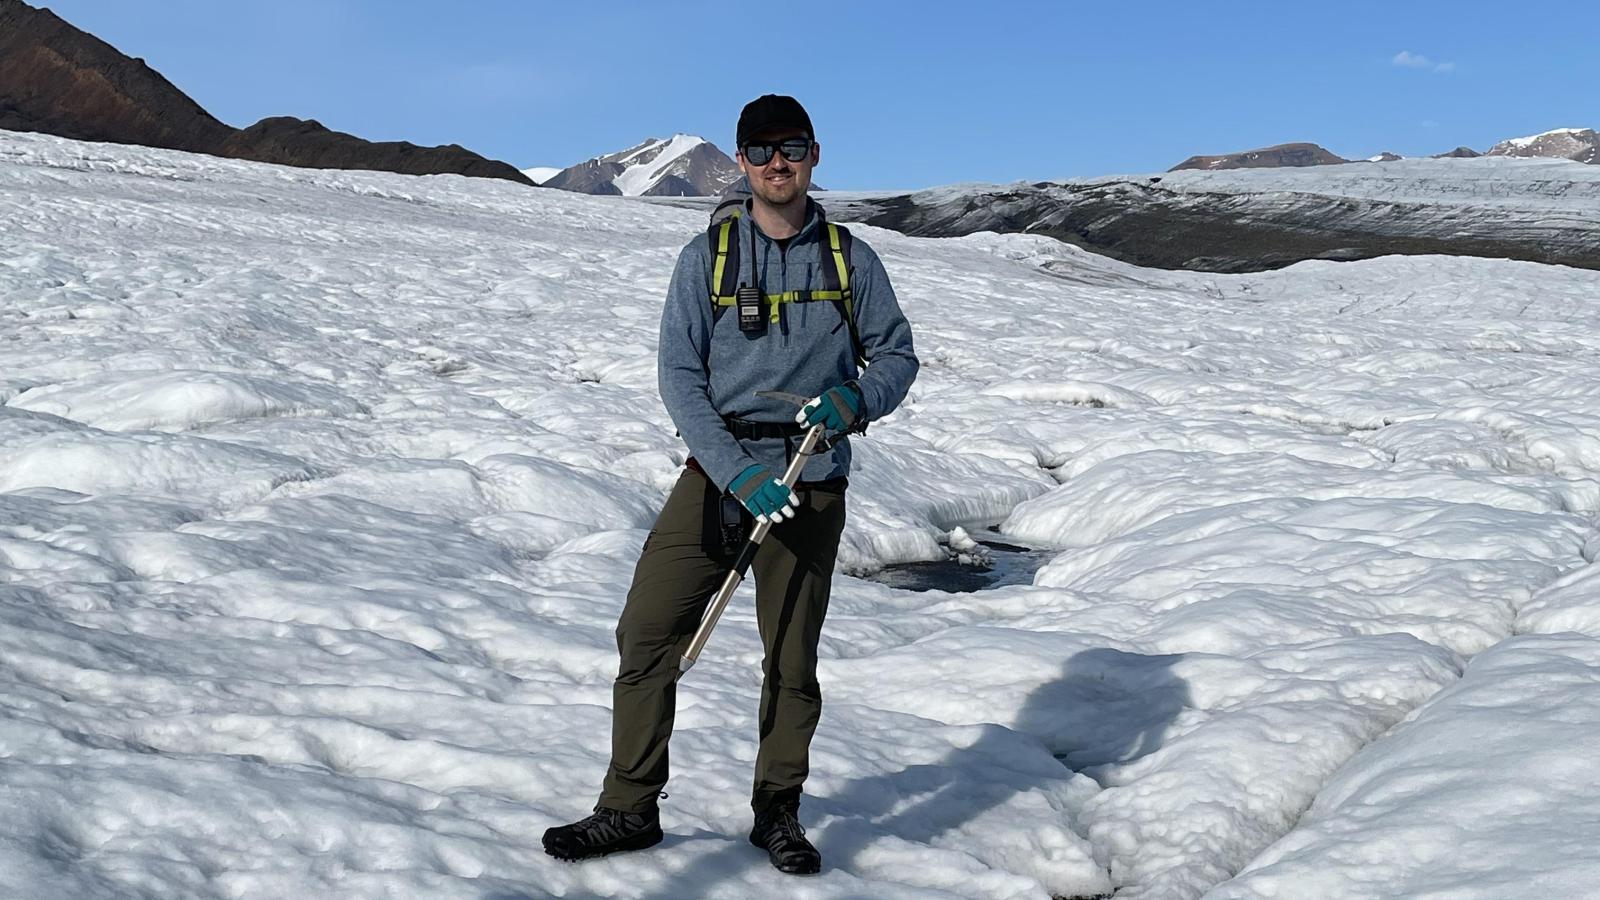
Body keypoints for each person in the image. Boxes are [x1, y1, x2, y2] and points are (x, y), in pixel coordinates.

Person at [543, 94, 919, 875]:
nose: (777, 162)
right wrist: (738, 472)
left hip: (810, 477)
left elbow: (895, 356)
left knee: (790, 658)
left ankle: (778, 812)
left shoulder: (851, 259)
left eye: (793, 147)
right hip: (720, 471)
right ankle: (629, 806)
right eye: (761, 149)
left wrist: (858, 400)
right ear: (741, 161)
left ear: (815, 155)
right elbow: (681, 379)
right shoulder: (706, 258)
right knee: (648, 632)